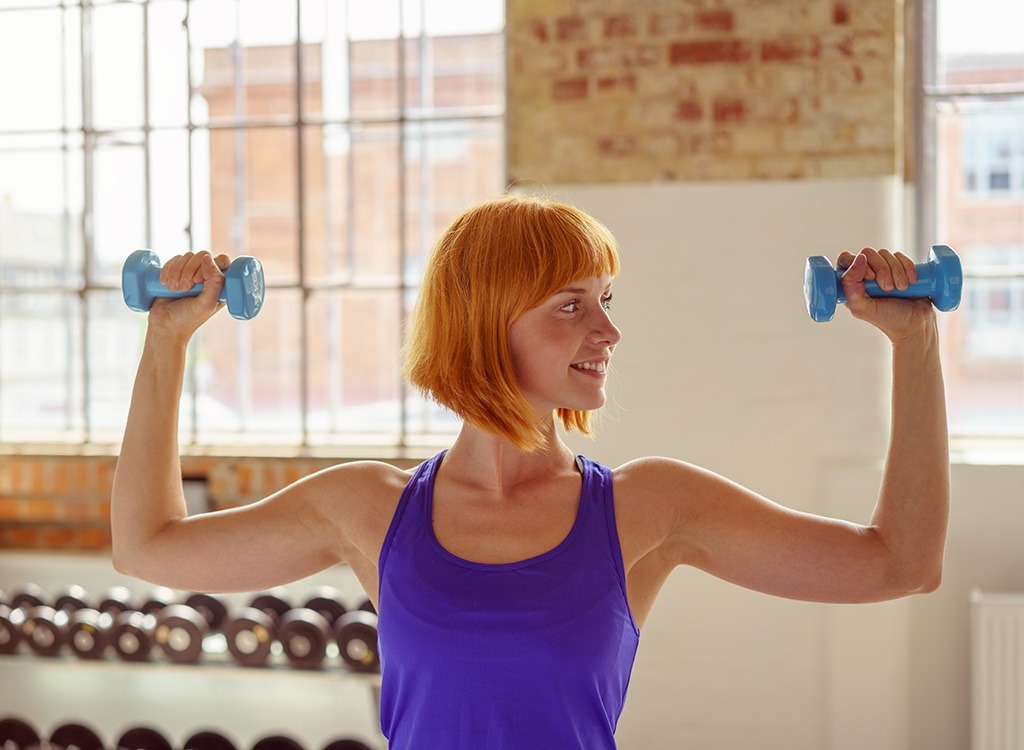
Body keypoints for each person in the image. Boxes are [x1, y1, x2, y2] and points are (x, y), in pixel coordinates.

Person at [111, 194, 949, 749]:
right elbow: (147, 547)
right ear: (483, 324)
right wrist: (167, 340)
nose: (608, 333)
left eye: (607, 300)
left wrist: (916, 347)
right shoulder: (366, 507)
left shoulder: (649, 506)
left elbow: (897, 563)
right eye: (571, 305)